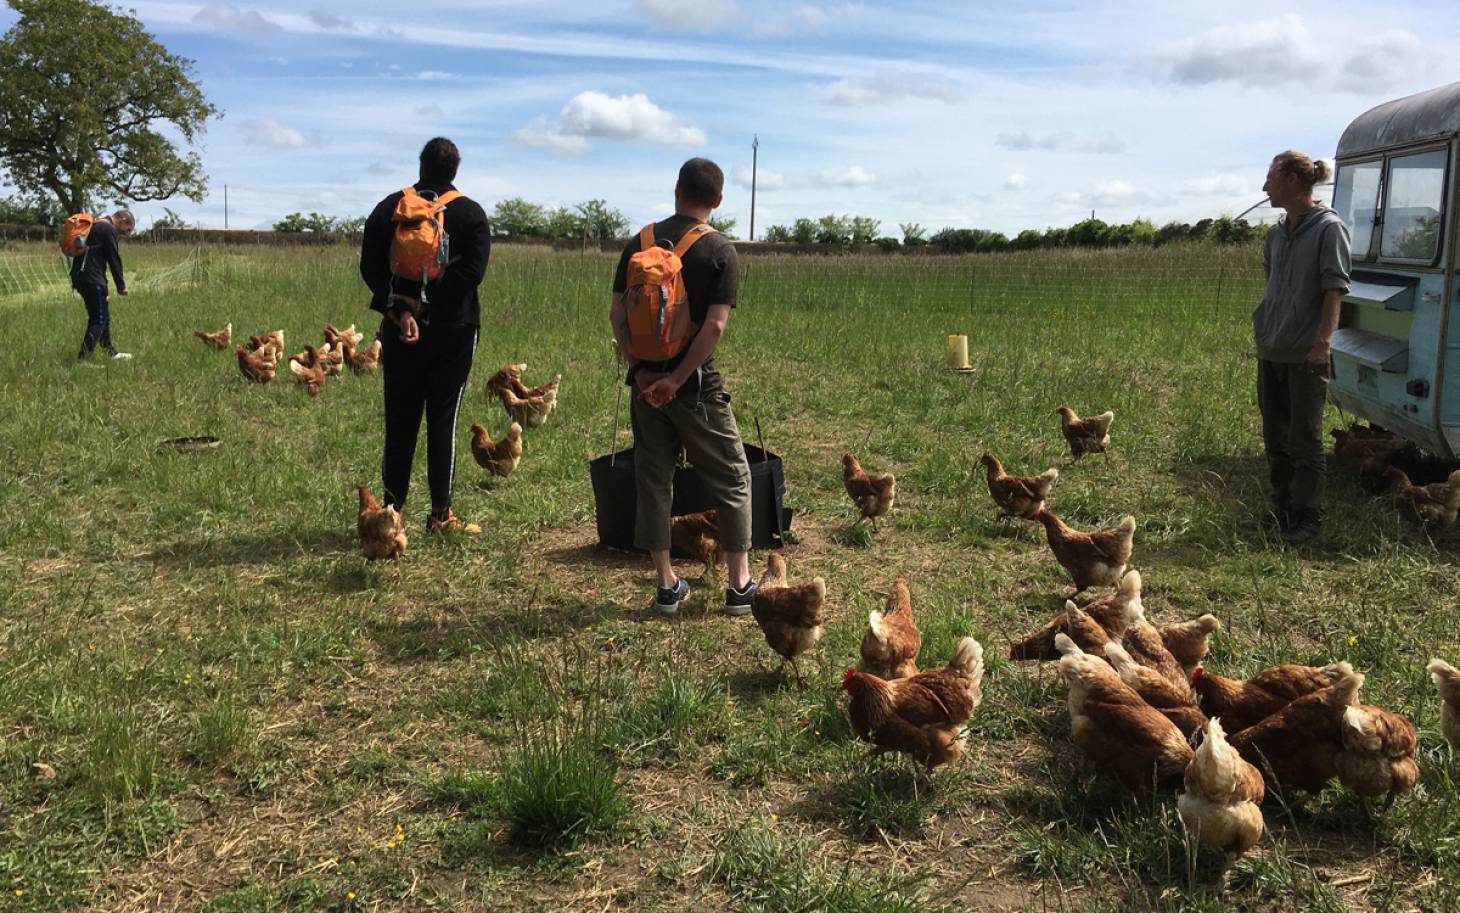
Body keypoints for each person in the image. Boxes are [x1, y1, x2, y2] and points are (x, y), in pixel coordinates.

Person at [610, 157, 755, 616]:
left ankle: (667, 585)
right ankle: (739, 585)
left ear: (676, 188)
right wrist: (677, 379)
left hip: (645, 382)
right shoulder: (720, 251)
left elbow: (617, 315)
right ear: (718, 200)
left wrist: (642, 372)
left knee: (654, 479)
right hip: (694, 385)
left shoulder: (641, 241)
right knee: (732, 476)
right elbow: (713, 327)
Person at [359, 137, 491, 532]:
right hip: (454, 331)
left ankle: (390, 513)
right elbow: (472, 275)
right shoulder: (471, 214)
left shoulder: (389, 209)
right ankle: (440, 514)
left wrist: (402, 311)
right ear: (455, 171)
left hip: (400, 331)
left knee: (399, 419)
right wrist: (432, 306)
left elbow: (370, 268)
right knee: (443, 419)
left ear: (421, 166)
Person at [1252, 150, 1351, 545]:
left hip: (1306, 352)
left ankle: (1308, 519)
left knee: (1305, 437)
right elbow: (1271, 278)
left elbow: (1334, 291)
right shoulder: (1276, 233)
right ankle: (1283, 509)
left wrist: (1321, 344)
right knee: (1274, 435)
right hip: (1272, 346)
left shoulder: (1329, 229)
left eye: (1270, 178)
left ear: (1292, 180)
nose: (1264, 187)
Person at [71, 209, 135, 360]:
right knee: (98, 319)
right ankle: (83, 360)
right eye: (127, 230)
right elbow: (113, 258)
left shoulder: (96, 224)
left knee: (103, 315)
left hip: (83, 276)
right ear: (123, 219)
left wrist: (105, 286)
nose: (126, 234)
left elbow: (97, 258)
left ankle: (110, 352)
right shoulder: (107, 228)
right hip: (91, 279)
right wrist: (121, 286)